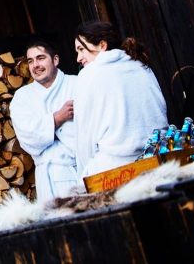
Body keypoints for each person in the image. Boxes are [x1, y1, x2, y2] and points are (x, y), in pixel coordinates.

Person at [73, 21, 168, 177]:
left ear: (102, 45)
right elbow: (161, 110)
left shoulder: (88, 74)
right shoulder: (141, 66)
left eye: (81, 49)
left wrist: (85, 174)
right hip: (158, 159)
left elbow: (85, 134)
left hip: (116, 170)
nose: (78, 58)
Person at [9, 40, 82, 201]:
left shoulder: (77, 84)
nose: (35, 65)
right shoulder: (22, 97)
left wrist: (46, 130)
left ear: (55, 60)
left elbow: (90, 129)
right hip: (48, 177)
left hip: (82, 170)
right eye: (30, 61)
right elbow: (27, 138)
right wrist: (57, 119)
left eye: (40, 58)